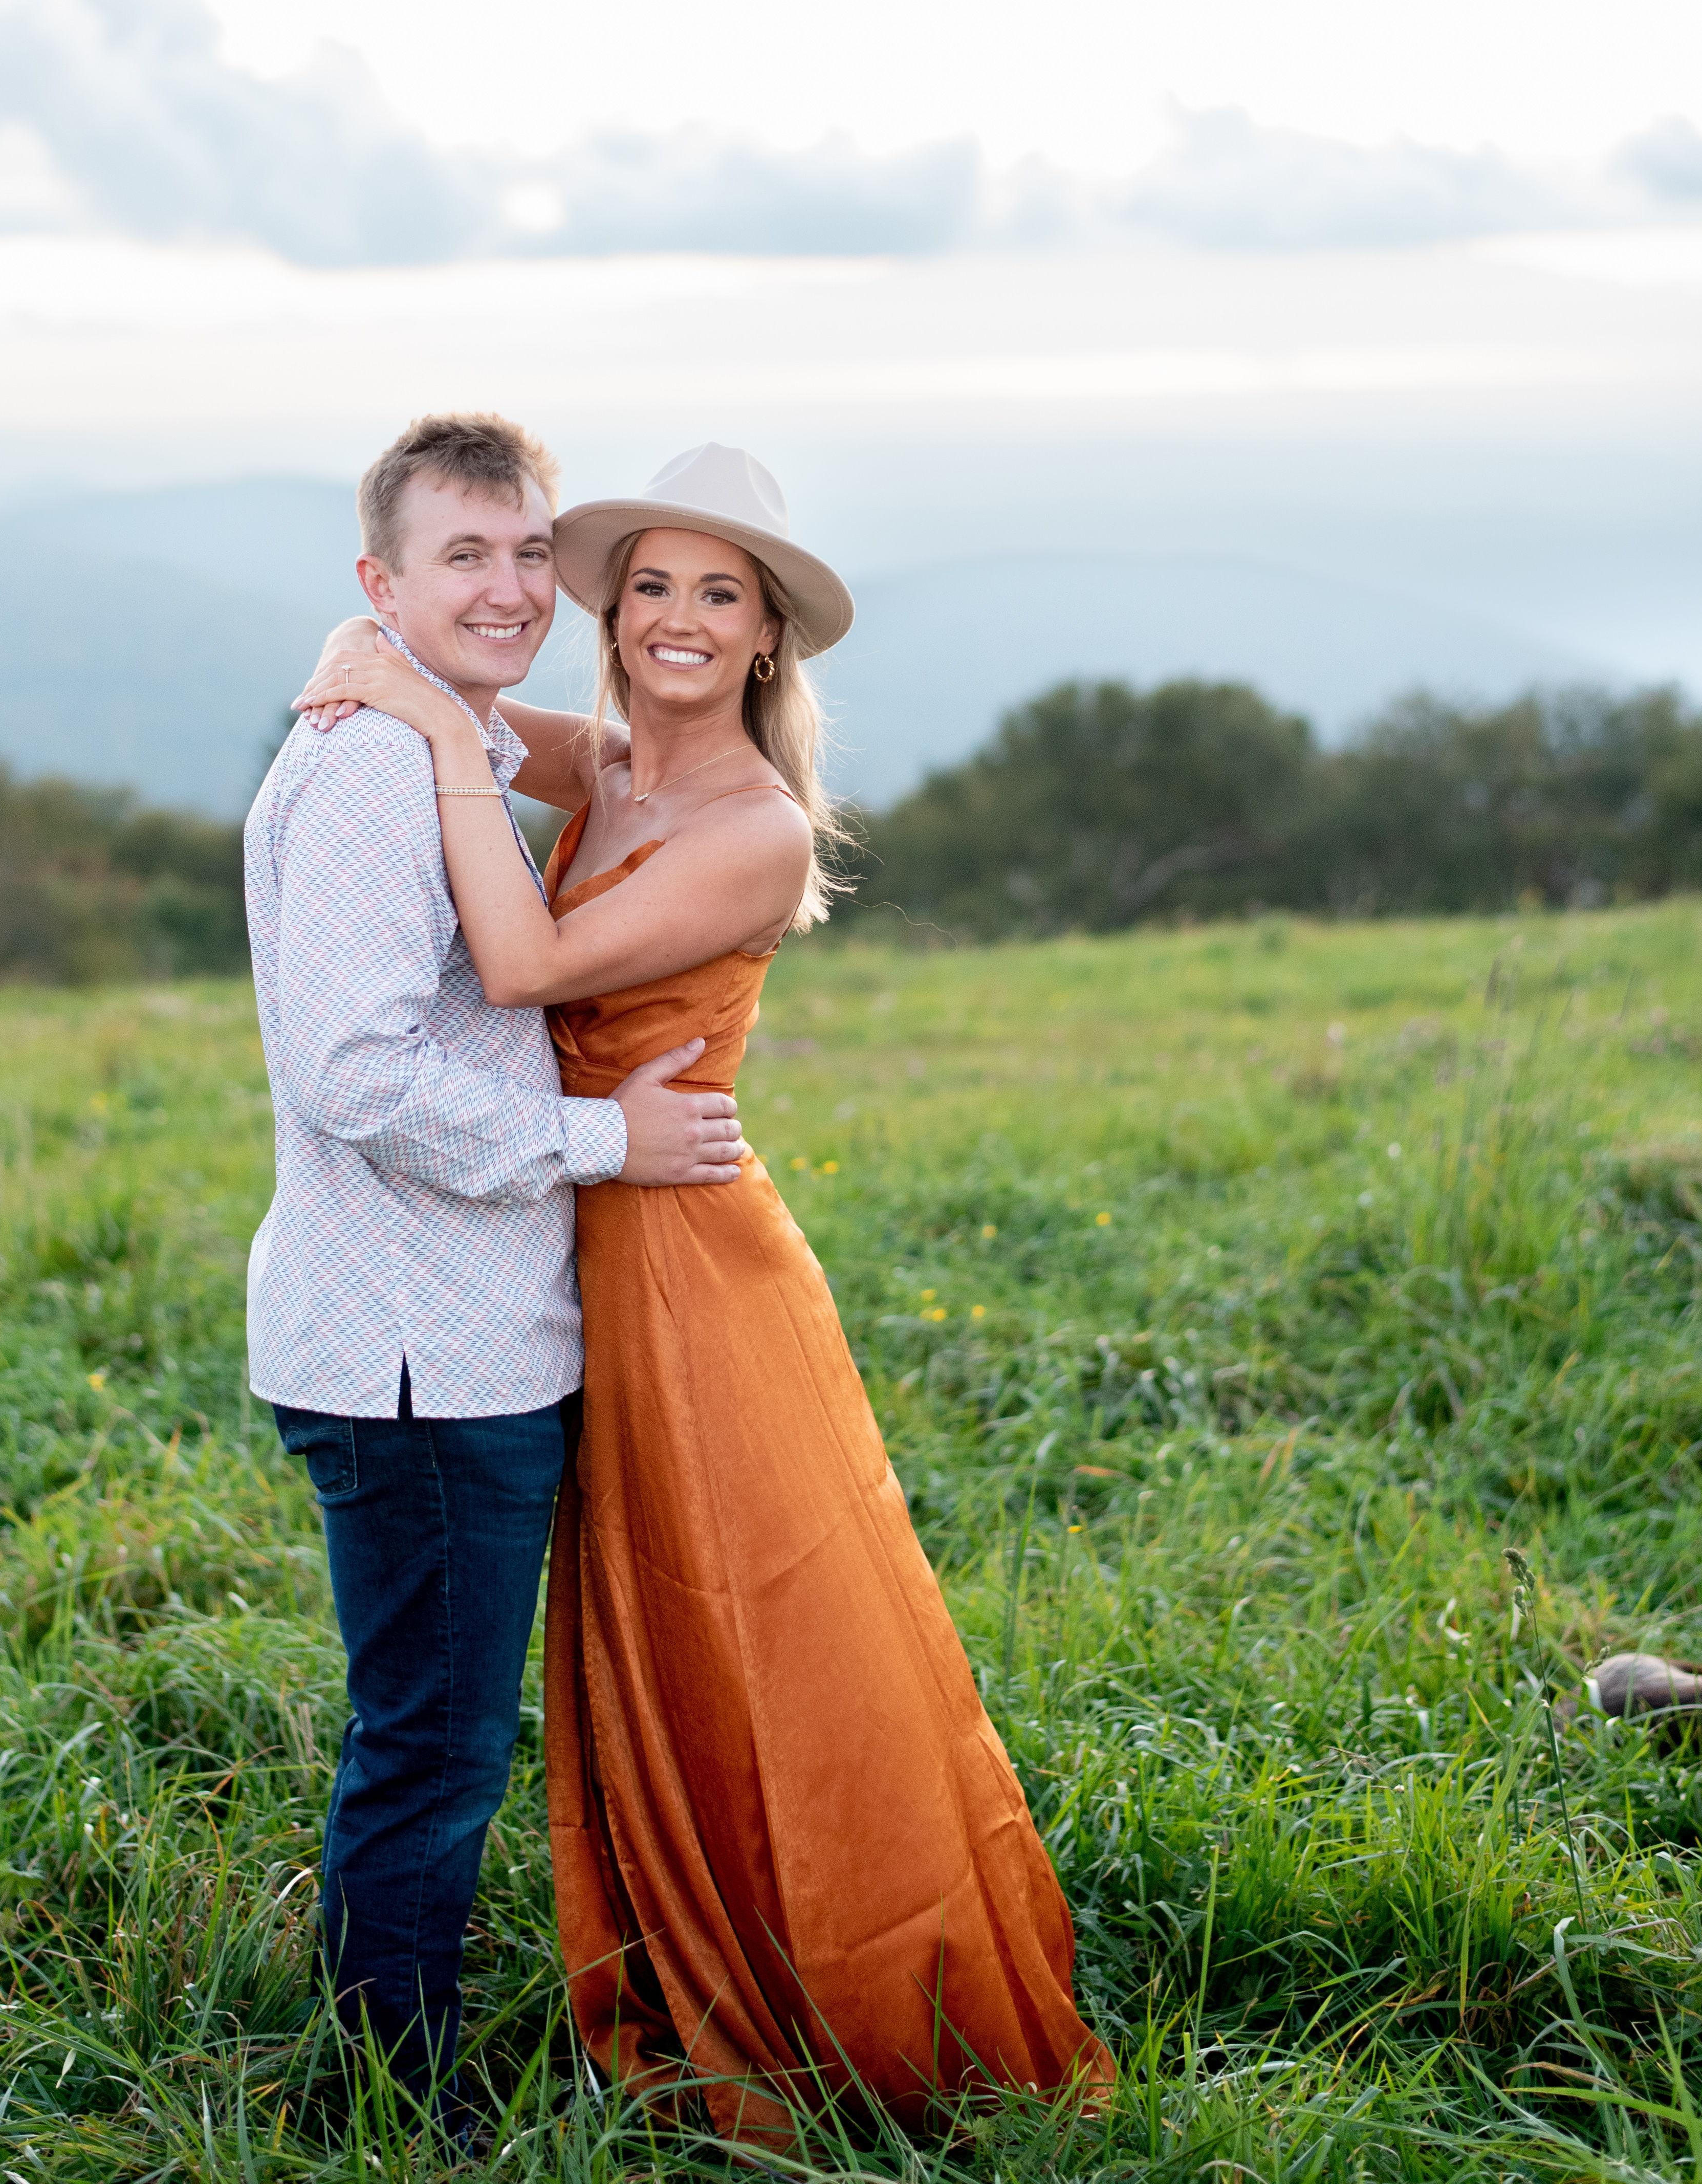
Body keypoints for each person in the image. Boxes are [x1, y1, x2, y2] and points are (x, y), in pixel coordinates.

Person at [293, 441, 1110, 2141]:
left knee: (751, 1622)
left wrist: (436, 723)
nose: (674, 618)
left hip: (681, 1255)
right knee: (649, 1632)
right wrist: (372, 664)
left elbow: (518, 963)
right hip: (579, 1228)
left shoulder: (747, 821)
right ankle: (686, 1929)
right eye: (649, 584)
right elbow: (456, 693)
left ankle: (853, 1977)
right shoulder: (617, 767)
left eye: (716, 595)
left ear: (765, 641)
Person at [240, 413, 751, 2129]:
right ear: (384, 582)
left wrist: (418, 686)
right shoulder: (390, 764)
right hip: (415, 1356)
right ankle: (394, 2098)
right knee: (434, 1747)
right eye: (466, 555)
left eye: (534, 552)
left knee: (437, 1728)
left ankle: (397, 2043)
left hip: (456, 1337)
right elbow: (358, 1077)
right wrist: (611, 1145)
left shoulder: (438, 727)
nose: (514, 585)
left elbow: (596, 762)